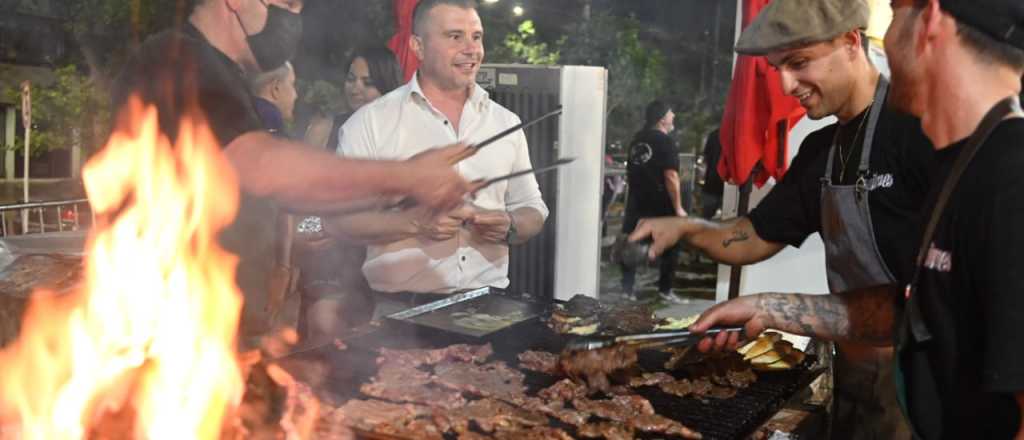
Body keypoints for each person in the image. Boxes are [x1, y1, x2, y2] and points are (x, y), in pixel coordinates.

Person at [628, 1, 935, 438]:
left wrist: (771, 307)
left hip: (917, 382)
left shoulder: (916, 131)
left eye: (799, 62)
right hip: (847, 366)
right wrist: (687, 228)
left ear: (851, 41)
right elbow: (753, 235)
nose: (787, 84)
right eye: (778, 68)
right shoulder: (822, 151)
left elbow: (938, 298)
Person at [112, 0, 476, 341]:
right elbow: (264, 168)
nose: (294, 17)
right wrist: (407, 177)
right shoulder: (177, 58)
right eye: (287, 2)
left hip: (214, 325)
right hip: (171, 324)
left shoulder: (226, 77)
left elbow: (289, 206)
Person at [328, 0, 549, 312]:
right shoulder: (371, 122)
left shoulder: (505, 123)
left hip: (488, 307)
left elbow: (533, 209)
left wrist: (510, 224)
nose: (472, 49)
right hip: (400, 312)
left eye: (477, 36)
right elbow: (340, 222)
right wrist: (415, 224)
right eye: (455, 36)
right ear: (417, 46)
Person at [293, 47, 404, 343]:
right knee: (324, 318)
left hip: (386, 254)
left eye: (368, 82)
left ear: (388, 86)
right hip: (334, 257)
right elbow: (300, 207)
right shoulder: (324, 128)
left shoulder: (405, 136)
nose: (356, 88)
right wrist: (315, 228)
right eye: (351, 79)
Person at [620, 100, 686, 303]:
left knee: (632, 242)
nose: (673, 115)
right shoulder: (666, 142)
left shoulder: (637, 139)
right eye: (670, 112)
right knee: (672, 244)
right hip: (660, 203)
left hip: (637, 201)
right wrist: (678, 208)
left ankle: (627, 289)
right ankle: (665, 290)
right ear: (662, 118)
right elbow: (671, 177)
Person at [250, 61, 298, 137]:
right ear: (276, 88)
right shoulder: (272, 118)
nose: (296, 95)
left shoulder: (246, 109)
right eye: (292, 84)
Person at [699, 128, 724, 220]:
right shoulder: (740, 133)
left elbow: (705, 159)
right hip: (730, 184)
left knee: (705, 219)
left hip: (711, 183)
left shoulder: (713, 134)